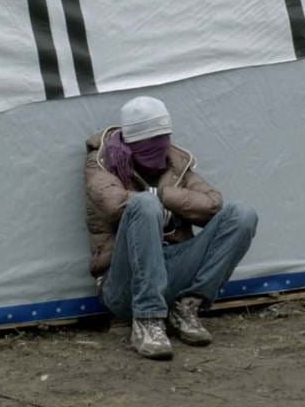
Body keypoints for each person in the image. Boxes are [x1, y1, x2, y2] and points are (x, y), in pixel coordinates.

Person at [83, 96, 259, 360]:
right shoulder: (101, 163)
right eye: (150, 141)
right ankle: (147, 319)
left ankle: (187, 306)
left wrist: (162, 194)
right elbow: (113, 203)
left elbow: (212, 204)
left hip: (171, 270)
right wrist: (154, 199)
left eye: (163, 138)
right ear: (132, 142)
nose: (158, 147)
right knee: (143, 205)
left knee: (242, 216)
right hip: (123, 285)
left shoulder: (178, 163)